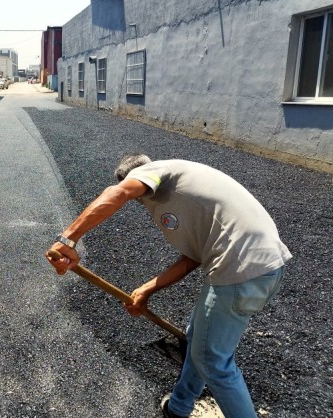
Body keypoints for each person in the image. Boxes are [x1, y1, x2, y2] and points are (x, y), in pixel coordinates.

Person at [46, 154, 291, 418]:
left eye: (139, 198)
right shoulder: (184, 187)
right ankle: (179, 406)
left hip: (240, 270)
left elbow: (118, 192)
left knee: (214, 362)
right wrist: (145, 290)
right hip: (264, 268)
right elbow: (191, 259)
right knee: (197, 338)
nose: (140, 202)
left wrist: (67, 240)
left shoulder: (156, 170)